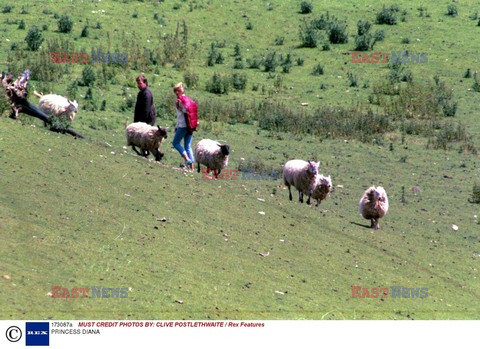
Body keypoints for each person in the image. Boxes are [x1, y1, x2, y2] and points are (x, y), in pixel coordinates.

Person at [172, 82, 195, 171]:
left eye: (178, 91)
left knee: (175, 143)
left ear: (182, 90)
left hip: (183, 125)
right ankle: (192, 169)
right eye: (175, 91)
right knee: (187, 146)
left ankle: (187, 160)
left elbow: (185, 111)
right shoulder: (188, 99)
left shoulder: (181, 101)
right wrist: (176, 125)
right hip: (190, 125)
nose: (177, 93)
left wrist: (180, 107)